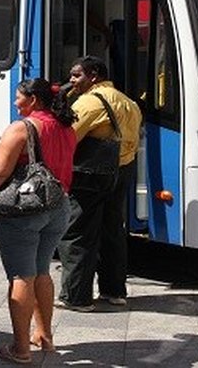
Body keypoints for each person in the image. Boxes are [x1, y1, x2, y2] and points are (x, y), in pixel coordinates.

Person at [0, 78, 76, 364]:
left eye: (19, 97)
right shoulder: (66, 127)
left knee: (20, 275)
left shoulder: (23, 129)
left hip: (26, 211)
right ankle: (44, 336)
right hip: (59, 206)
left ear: (33, 100)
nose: (16, 103)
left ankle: (21, 348)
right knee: (41, 271)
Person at [57, 56, 142, 311]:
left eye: (76, 75)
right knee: (112, 229)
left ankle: (76, 297)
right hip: (122, 170)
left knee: (78, 232)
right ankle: (114, 291)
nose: (71, 80)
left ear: (93, 75)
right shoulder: (129, 103)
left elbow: (68, 138)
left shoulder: (89, 103)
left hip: (92, 174)